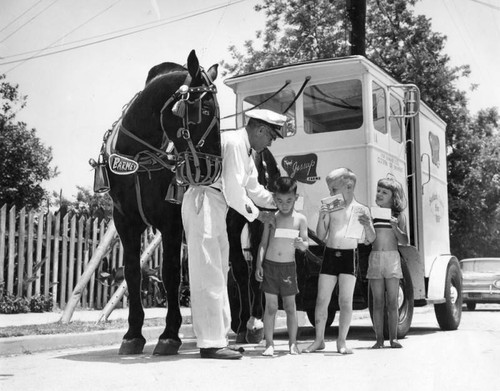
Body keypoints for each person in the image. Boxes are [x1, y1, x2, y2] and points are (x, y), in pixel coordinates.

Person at [181, 109, 287, 360]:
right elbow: (235, 190)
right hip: (204, 202)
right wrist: (258, 215)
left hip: (215, 205)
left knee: (218, 272)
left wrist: (277, 202)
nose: (271, 142)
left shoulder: (245, 148)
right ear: (260, 130)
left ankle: (219, 337)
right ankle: (210, 343)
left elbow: (253, 186)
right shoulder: (235, 144)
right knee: (208, 274)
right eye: (271, 136)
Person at [304, 168, 375, 354]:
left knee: (346, 301)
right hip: (330, 254)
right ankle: (319, 340)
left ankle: (341, 342)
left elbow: (370, 239)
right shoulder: (331, 207)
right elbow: (320, 235)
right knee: (321, 300)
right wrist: (321, 217)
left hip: (349, 256)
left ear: (349, 186)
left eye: (334, 189)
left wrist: (368, 225)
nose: (330, 194)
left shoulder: (361, 209)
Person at [255, 176, 309, 356]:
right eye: (279, 200)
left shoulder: (300, 219)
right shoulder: (271, 218)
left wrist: (302, 244)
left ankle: (293, 343)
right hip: (270, 266)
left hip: (288, 267)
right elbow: (263, 243)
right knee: (270, 307)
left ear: (296, 198)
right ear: (274, 199)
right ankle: (269, 344)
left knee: (290, 307)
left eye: (288, 200)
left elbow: (306, 244)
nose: (284, 205)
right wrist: (258, 265)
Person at [368, 177, 408, 349]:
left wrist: (395, 227)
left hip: (392, 258)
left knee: (392, 302)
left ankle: (394, 338)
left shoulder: (398, 216)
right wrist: (365, 224)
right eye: (378, 191)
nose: (379, 194)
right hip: (375, 257)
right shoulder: (372, 214)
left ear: (393, 197)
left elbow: (405, 241)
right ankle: (379, 339)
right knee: (377, 302)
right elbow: (368, 239)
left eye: (384, 192)